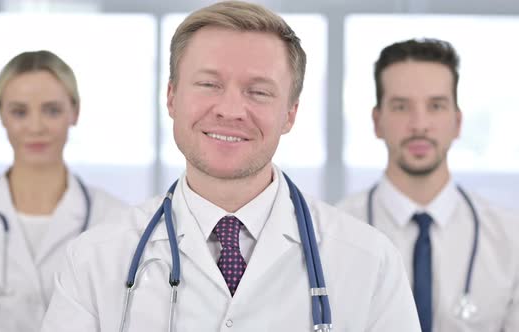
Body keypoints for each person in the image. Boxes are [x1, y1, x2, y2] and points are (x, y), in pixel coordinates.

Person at [41, 2, 421, 331]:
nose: (230, 110)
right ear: (171, 97)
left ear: (290, 114)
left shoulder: (369, 262)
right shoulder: (94, 261)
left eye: (258, 92)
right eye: (208, 84)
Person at [0, 50, 129, 331]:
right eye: (19, 111)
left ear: (75, 112)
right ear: (1, 115)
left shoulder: (116, 221)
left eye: (52, 110)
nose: (36, 127)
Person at [336, 38, 519, 332]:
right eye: (400, 107)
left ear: (457, 122)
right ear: (377, 121)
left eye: (435, 106)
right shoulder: (331, 235)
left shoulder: (510, 240)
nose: (419, 124)